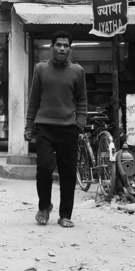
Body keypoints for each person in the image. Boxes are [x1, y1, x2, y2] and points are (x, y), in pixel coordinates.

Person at [24, 30, 87, 228]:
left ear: (70, 49)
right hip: (45, 127)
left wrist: (79, 124)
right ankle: (44, 208)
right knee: (44, 167)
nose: (62, 48)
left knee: (68, 173)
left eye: (65, 45)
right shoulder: (41, 69)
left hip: (69, 129)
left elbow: (82, 100)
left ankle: (65, 215)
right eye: (58, 44)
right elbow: (34, 100)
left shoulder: (77, 71)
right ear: (51, 47)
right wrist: (29, 125)